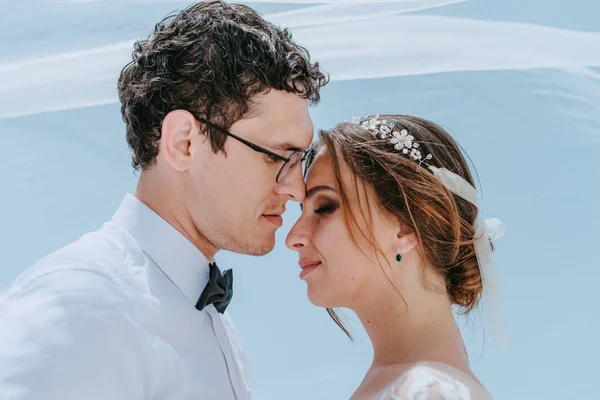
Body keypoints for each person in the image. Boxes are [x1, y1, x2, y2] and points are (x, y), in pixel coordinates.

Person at [0, 1, 327, 399]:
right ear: (183, 142)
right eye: (277, 156)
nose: (296, 190)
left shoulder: (208, 321)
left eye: (300, 161)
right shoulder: (81, 303)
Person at [286, 114, 503, 399]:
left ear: (407, 226)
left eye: (325, 207)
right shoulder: (410, 385)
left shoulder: (427, 391)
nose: (293, 238)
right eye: (301, 211)